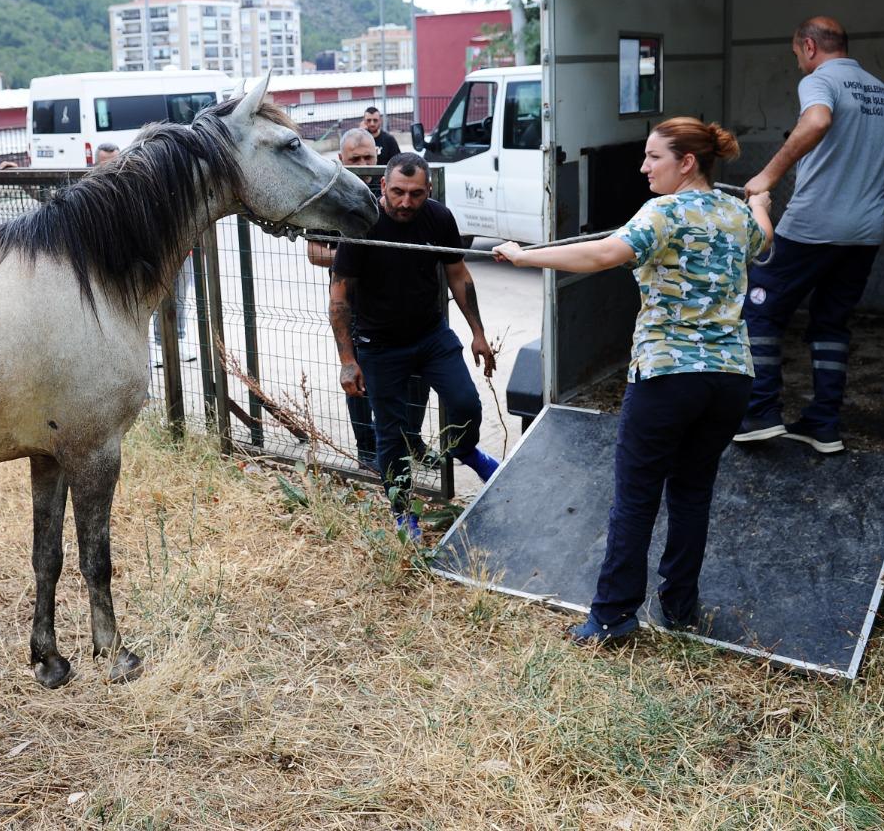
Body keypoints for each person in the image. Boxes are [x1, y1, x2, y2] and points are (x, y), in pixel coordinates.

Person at [493, 118, 773, 644]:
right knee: (692, 493)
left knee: (636, 497)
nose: (643, 167)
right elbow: (765, 236)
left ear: (686, 162)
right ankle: (679, 608)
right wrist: (761, 200)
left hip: (668, 376)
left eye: (653, 157)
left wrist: (525, 255)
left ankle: (612, 617)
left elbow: (602, 254)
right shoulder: (736, 212)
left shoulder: (663, 212)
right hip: (730, 378)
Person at [733, 16, 884, 454]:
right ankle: (823, 424)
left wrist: (767, 177)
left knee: (759, 309)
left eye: (797, 54)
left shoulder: (819, 81)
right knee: (831, 322)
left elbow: (816, 121)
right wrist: (867, 201)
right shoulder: (882, 92)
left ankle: (760, 412)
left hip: (812, 227)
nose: (798, 62)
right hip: (864, 233)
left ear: (810, 47)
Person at [330, 152, 498, 538]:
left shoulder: (439, 218)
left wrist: (478, 332)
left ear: (429, 190)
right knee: (392, 434)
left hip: (430, 335)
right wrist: (347, 359)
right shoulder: (362, 224)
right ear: (383, 186)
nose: (406, 202)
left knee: (466, 403)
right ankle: (403, 512)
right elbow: (339, 297)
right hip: (379, 345)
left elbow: (458, 274)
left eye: (416, 194)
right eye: (398, 192)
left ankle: (465, 450)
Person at [307, 129, 429, 471]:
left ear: (378, 156)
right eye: (355, 159)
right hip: (354, 307)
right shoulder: (329, 197)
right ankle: (367, 449)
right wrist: (361, 257)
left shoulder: (394, 194)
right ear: (341, 160)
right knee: (358, 378)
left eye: (368, 158)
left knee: (416, 378)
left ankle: (412, 440)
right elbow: (315, 252)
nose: (362, 165)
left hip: (403, 305)